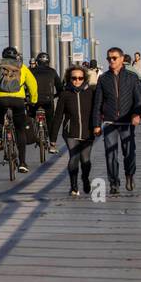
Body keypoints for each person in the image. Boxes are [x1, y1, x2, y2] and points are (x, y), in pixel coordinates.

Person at [92, 46, 141, 192]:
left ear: (122, 59)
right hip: (109, 122)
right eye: (109, 58)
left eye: (114, 58)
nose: (111, 61)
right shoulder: (103, 79)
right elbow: (97, 103)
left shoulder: (132, 77)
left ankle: (129, 175)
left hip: (127, 121)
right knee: (110, 153)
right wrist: (96, 124)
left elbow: (139, 99)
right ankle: (114, 183)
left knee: (129, 152)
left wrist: (136, 114)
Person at [0, 45, 38, 173]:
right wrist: (33, 100)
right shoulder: (22, 67)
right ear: (16, 56)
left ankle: (0, 139)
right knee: (20, 130)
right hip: (18, 101)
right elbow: (32, 84)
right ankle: (23, 162)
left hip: (1, 99)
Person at [57, 64, 96, 197]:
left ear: (84, 78)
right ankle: (74, 186)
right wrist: (51, 138)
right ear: (69, 79)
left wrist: (97, 125)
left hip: (88, 131)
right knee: (74, 157)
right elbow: (58, 115)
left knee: (85, 160)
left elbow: (97, 111)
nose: (77, 81)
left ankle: (85, 178)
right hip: (70, 132)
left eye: (80, 78)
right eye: (74, 78)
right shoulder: (65, 94)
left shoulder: (91, 92)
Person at [28, 52, 64, 155]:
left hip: (34, 101)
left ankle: (34, 134)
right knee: (50, 120)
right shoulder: (52, 72)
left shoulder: (31, 71)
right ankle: (52, 145)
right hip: (48, 100)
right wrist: (56, 95)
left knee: (30, 116)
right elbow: (60, 87)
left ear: (37, 62)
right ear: (48, 62)